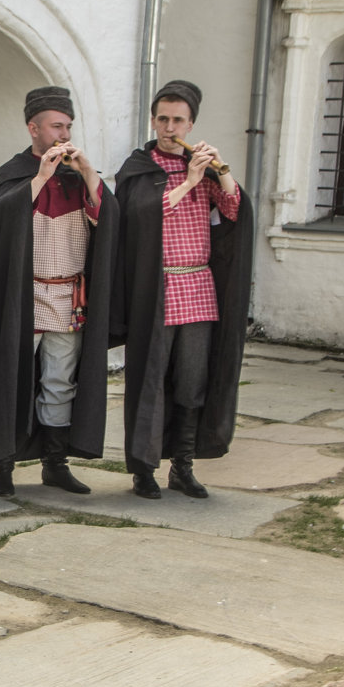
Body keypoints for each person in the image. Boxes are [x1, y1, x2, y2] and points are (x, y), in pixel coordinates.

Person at [0, 87, 116, 497]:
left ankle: (55, 462)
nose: (64, 134)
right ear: (33, 128)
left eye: (68, 126)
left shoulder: (78, 177)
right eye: (56, 126)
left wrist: (87, 173)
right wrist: (41, 178)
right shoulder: (10, 176)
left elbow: (108, 219)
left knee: (60, 381)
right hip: (23, 299)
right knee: (11, 380)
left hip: (68, 297)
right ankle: (4, 466)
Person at [111, 79, 253, 500]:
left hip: (198, 287)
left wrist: (221, 171)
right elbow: (140, 215)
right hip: (155, 290)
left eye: (178, 120)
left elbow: (232, 213)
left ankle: (183, 467)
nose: (169, 127)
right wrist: (189, 182)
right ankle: (143, 470)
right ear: (153, 120)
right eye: (162, 119)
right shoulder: (138, 168)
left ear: (191, 124)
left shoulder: (204, 168)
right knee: (151, 381)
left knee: (192, 382)